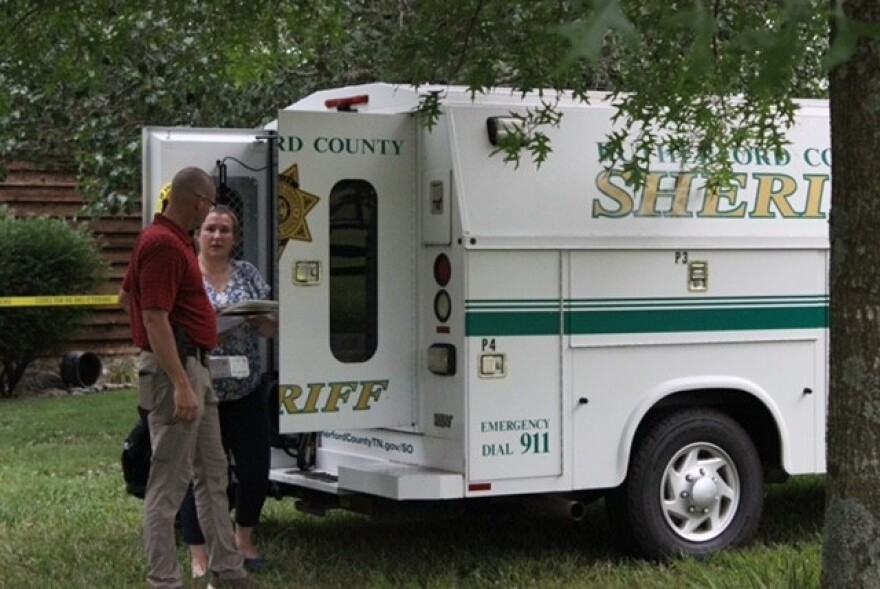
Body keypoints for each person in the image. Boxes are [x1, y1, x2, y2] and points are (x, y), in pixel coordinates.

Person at [121, 167, 255, 589]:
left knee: (213, 472)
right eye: (208, 205)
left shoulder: (171, 240)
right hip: (177, 369)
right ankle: (163, 580)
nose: (208, 213)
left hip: (194, 364)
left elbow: (126, 295)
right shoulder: (163, 244)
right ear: (198, 202)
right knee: (169, 481)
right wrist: (179, 381)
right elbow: (153, 317)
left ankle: (228, 571)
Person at [180, 205, 277, 578]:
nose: (217, 236)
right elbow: (177, 329)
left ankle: (243, 542)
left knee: (255, 469)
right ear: (197, 235)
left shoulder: (248, 273)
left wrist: (261, 319)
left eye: (224, 230)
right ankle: (199, 555)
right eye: (210, 229)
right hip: (201, 390)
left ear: (235, 238)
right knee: (201, 474)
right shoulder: (187, 274)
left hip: (245, 388)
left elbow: (271, 330)